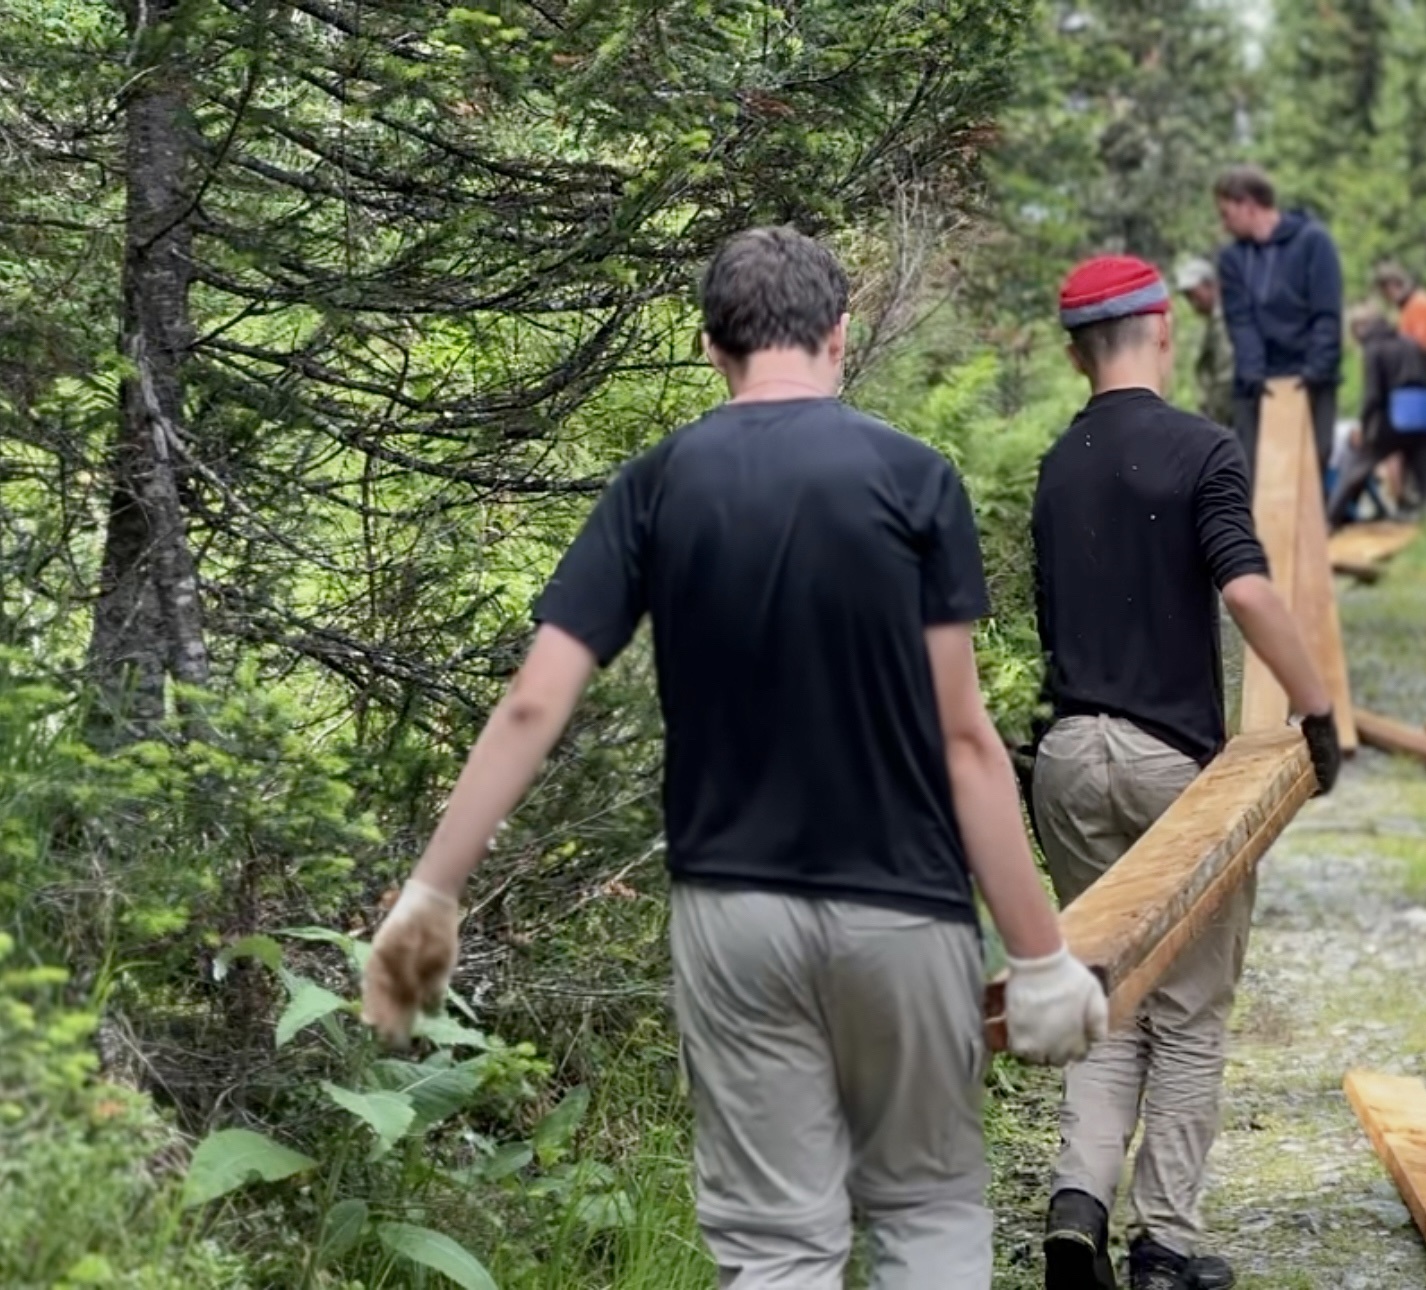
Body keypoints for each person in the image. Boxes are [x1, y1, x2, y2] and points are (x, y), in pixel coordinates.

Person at [359, 228, 1107, 1290]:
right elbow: (963, 737)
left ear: (713, 348)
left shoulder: (656, 483)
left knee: (776, 1248)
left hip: (734, 915)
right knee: (927, 1212)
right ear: (841, 336)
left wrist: (432, 892)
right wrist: (1038, 956)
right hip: (905, 909)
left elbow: (535, 702)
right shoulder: (914, 479)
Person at [1030, 255, 1343, 1290]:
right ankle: (1162, 1242)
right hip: (1172, 768)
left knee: (1106, 997)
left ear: (1078, 352)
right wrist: (1315, 710)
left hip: (1069, 760)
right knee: (1192, 1011)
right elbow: (1248, 594)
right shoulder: (1202, 450)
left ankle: (1078, 1202)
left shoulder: (1056, 463)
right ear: (1161, 328)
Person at [1213, 165, 1344, 491]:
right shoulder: (1233, 259)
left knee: (1312, 464)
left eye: (1226, 213)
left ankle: (1310, 538)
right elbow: (1241, 323)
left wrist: (1315, 370)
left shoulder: (1313, 242)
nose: (1224, 223)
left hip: (1310, 374)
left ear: (1248, 204)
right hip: (1259, 378)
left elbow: (1326, 313)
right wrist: (1255, 375)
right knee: (1255, 468)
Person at [1328, 303, 1426, 527]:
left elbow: (1373, 395)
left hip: (1392, 420)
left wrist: (1365, 425)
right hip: (1425, 417)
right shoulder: (1410, 343)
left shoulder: (1373, 349)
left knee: (1357, 469)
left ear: (1362, 328)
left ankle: (1330, 520)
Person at [1175, 256, 1232, 423]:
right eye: (1187, 297)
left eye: (1194, 295)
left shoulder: (1224, 322)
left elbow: (1226, 376)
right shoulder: (1214, 323)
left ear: (1210, 286)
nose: (1192, 302)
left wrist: (1213, 417)